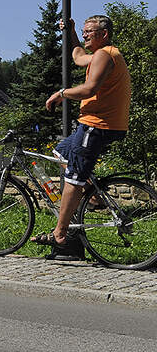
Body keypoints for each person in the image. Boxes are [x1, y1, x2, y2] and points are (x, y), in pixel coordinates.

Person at [33, 15, 131, 253]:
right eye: (84, 31)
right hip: (95, 125)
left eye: (90, 32)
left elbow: (90, 89)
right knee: (61, 152)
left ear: (104, 34)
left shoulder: (106, 54)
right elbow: (77, 56)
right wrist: (72, 32)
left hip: (97, 126)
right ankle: (92, 195)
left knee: (73, 179)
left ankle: (60, 234)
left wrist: (62, 93)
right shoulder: (100, 54)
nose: (86, 35)